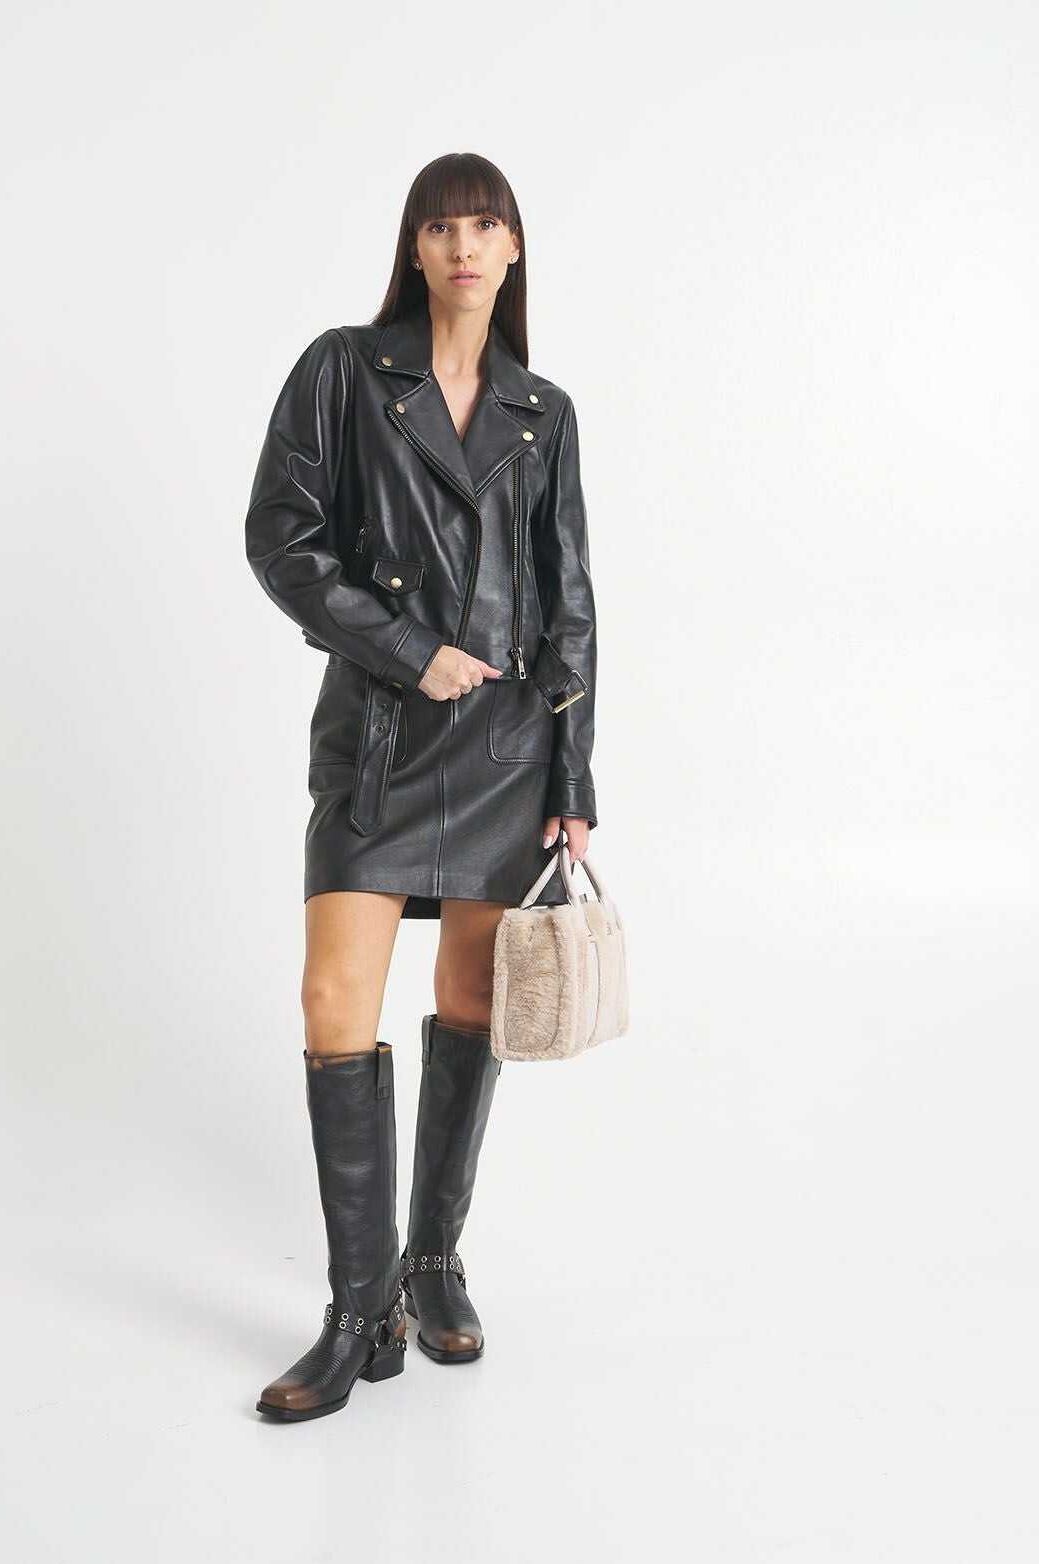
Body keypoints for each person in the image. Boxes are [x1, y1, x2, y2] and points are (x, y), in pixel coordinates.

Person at [243, 152, 599, 1421]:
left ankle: (432, 1259)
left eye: (484, 225)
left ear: (513, 249)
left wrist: (573, 772)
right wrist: (406, 648)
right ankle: (360, 1311)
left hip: (504, 753)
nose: (462, 245)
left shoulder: (542, 412)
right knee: (333, 1000)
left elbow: (569, 604)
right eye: (441, 226)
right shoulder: (344, 370)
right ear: (414, 247)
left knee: (469, 1001)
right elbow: (280, 538)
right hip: (382, 742)